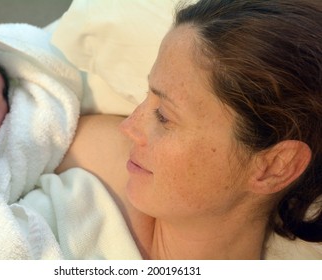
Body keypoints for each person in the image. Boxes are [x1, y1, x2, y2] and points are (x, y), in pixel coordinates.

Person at [56, 0, 322, 259]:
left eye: (163, 116)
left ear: (275, 165)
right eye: (146, 96)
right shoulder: (95, 156)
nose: (128, 126)